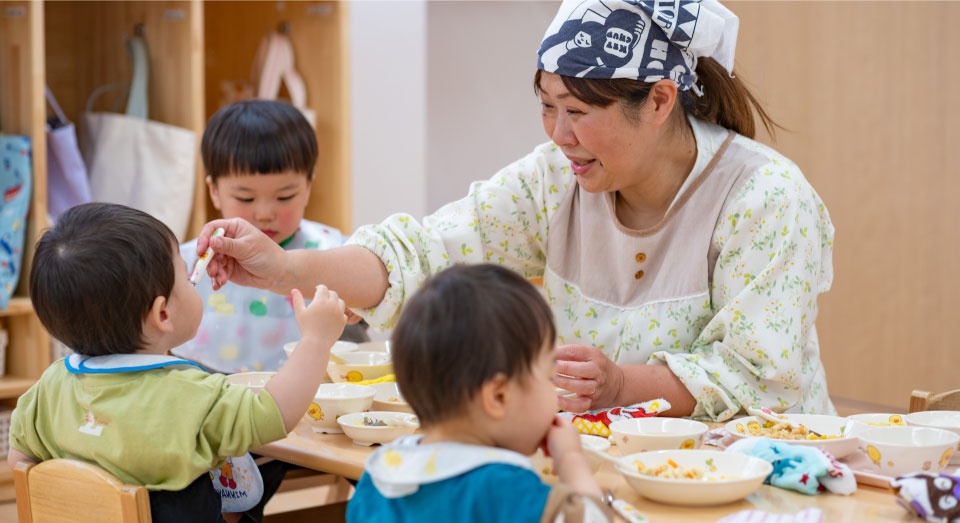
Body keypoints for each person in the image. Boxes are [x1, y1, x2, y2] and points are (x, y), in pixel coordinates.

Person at [195, 0, 836, 422]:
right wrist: (284, 268)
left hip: (763, 482)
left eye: (579, 112)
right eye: (547, 105)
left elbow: (756, 376)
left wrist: (621, 387)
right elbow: (423, 253)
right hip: (595, 472)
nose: (559, 133)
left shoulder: (765, 199)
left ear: (662, 100)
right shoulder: (556, 180)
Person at [7, 203, 347, 523]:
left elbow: (21, 460)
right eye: (186, 277)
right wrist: (316, 340)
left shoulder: (48, 387)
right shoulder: (190, 396)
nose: (192, 282)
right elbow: (275, 412)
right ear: (163, 314)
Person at [347, 264, 612, 522]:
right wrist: (570, 458)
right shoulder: (507, 490)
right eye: (547, 377)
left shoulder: (378, 477)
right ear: (498, 397)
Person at [174, 100, 367, 375]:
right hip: (211, 391)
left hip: (313, 396)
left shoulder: (338, 252)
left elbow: (376, 311)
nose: (265, 213)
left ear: (308, 186)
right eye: (246, 197)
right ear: (214, 190)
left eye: (284, 196)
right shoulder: (186, 262)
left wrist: (361, 306)